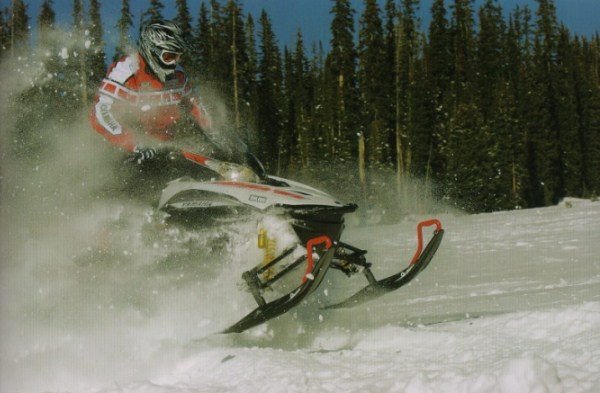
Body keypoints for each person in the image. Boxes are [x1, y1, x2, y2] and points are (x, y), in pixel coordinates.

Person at [90, 19, 214, 199]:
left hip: (164, 148)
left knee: (197, 169)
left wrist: (213, 132)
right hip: (123, 149)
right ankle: (119, 214)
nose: (174, 63)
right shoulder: (126, 72)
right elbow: (100, 112)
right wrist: (134, 144)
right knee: (136, 175)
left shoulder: (177, 75)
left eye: (178, 56)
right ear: (152, 53)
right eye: (169, 57)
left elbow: (196, 105)